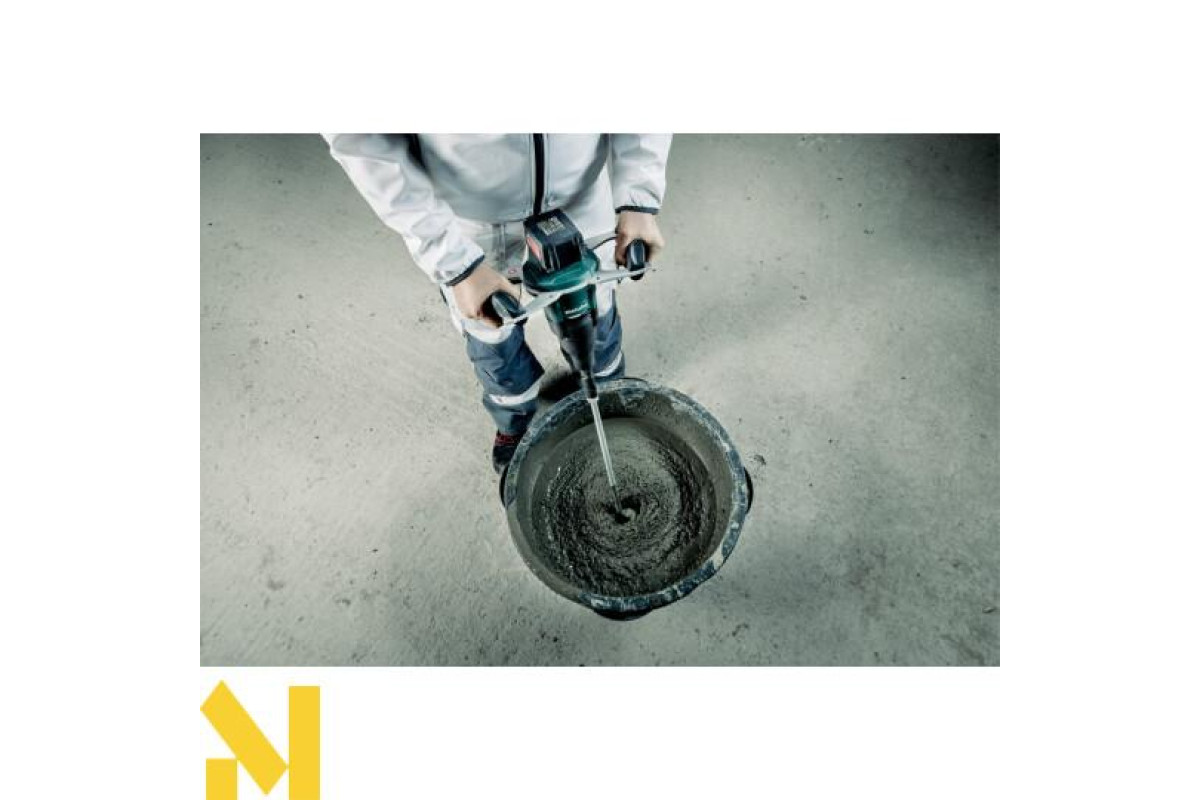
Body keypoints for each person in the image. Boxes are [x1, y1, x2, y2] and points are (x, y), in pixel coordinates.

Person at [325, 134, 672, 473]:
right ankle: (516, 422)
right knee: (492, 331)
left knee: (594, 307)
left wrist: (638, 196)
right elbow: (363, 143)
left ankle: (606, 389)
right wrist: (455, 262)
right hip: (478, 229)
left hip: (581, 203)